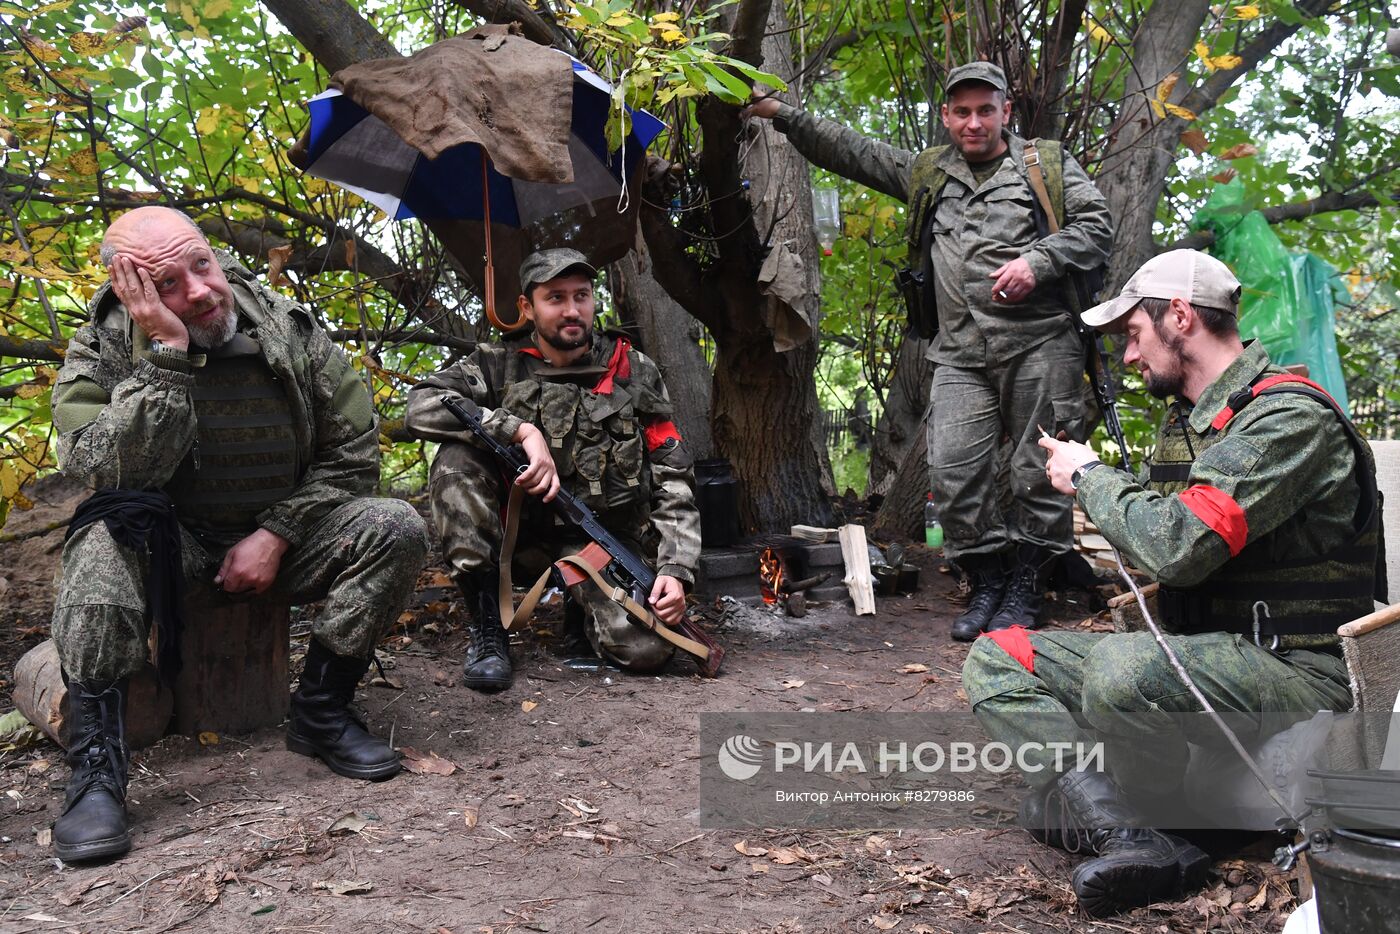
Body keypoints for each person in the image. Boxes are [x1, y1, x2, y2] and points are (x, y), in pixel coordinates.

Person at [961, 249, 1381, 916]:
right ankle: (1129, 835)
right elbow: (1159, 547)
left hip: (1298, 670)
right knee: (1000, 653)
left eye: (1133, 334)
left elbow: (1176, 549)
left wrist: (1093, 478)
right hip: (1203, 654)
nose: (1128, 357)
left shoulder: (1286, 419)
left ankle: (1131, 823)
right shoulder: (1192, 424)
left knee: (1123, 671)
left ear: (1180, 316)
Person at [49, 207, 430, 862]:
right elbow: (109, 471)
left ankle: (322, 712)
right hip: (172, 550)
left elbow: (354, 456)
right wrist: (166, 355)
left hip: (288, 535)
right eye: (168, 284)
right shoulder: (106, 346)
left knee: (395, 524)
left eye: (202, 264)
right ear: (131, 291)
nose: (199, 291)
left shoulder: (286, 327)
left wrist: (277, 532)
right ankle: (96, 773)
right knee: (104, 535)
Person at [745, 62, 1113, 641]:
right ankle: (987, 578)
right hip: (960, 353)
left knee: (1037, 472)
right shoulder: (928, 173)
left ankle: (1026, 588)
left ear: (1005, 112)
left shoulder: (1044, 164)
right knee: (953, 469)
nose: (973, 123)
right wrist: (783, 115)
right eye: (961, 112)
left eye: (985, 110)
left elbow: (1097, 225)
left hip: (1041, 344)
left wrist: (1036, 263)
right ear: (946, 116)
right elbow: (853, 151)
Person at [404, 248, 701, 689]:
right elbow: (421, 405)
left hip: (601, 544)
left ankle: (583, 611)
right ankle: (489, 629)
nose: (571, 310)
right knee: (455, 460)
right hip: (516, 541)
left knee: (648, 650)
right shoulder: (495, 364)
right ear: (527, 307)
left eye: (581, 296)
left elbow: (672, 476)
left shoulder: (632, 369)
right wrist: (518, 430)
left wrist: (676, 571)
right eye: (555, 298)